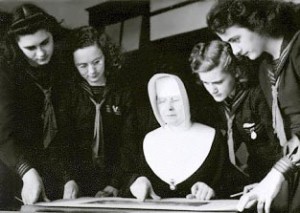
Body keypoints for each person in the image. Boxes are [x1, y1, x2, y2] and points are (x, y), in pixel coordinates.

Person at [207, 0, 300, 212]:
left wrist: (278, 174)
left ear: (257, 21)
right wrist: (270, 182)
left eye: (235, 39)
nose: (235, 51)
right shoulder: (265, 70)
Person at [0, 3, 73, 205]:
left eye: (45, 42)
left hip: (53, 164)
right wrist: (27, 172)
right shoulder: (5, 73)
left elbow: (67, 127)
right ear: (16, 45)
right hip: (12, 164)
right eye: (31, 48)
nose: (41, 53)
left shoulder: (63, 64)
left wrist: (69, 177)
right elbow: (3, 134)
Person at [190, 40, 281, 191]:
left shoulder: (258, 95)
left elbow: (281, 146)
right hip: (255, 177)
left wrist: (269, 183)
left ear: (236, 72)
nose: (212, 90)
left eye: (218, 82)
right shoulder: (222, 101)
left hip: (278, 178)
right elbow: (224, 151)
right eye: (206, 83)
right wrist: (208, 184)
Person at [130, 73, 234, 201]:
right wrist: (138, 182)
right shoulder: (148, 140)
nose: (169, 108)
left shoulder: (213, 137)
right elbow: (134, 177)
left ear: (189, 98)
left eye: (175, 100)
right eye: (161, 101)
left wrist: (211, 191)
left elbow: (230, 187)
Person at [64, 26, 138, 198]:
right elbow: (64, 143)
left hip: (117, 181)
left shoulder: (123, 92)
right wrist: (69, 179)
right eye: (82, 66)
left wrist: (115, 183)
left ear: (107, 55)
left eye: (97, 62)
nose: (91, 71)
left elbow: (129, 142)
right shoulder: (69, 95)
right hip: (78, 183)